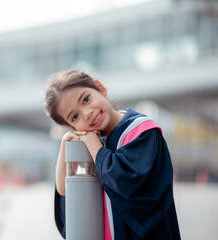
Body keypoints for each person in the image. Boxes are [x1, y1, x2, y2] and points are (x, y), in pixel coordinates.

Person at [44, 69, 180, 240]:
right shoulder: (89, 142)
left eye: (86, 99)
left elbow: (124, 181)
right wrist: (65, 143)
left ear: (100, 88)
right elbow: (64, 190)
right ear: (72, 127)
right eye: (75, 117)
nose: (87, 113)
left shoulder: (141, 131)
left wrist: (96, 148)